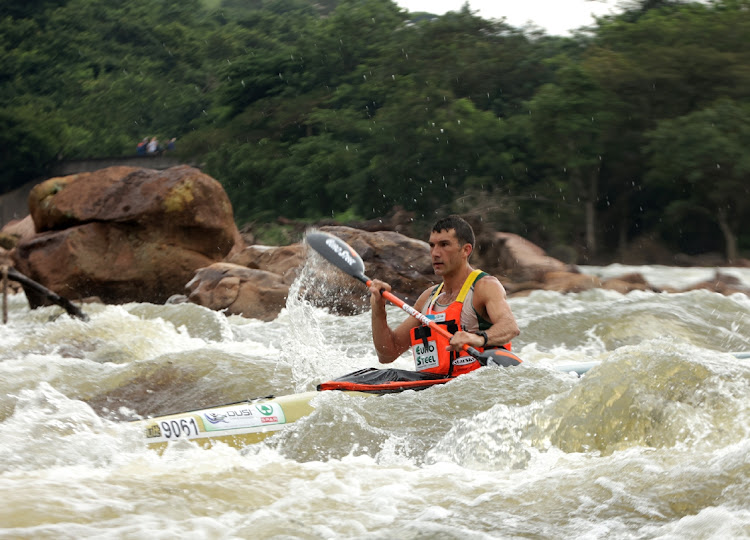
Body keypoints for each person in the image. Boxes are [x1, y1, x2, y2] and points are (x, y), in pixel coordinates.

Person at [368, 215, 520, 377]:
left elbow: (510, 327)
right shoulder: (429, 298)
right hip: (434, 386)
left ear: (466, 250)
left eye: (444, 245)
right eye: (432, 246)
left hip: (476, 383)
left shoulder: (485, 286)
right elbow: (388, 354)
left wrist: (477, 338)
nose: (435, 253)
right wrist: (378, 308)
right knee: (377, 375)